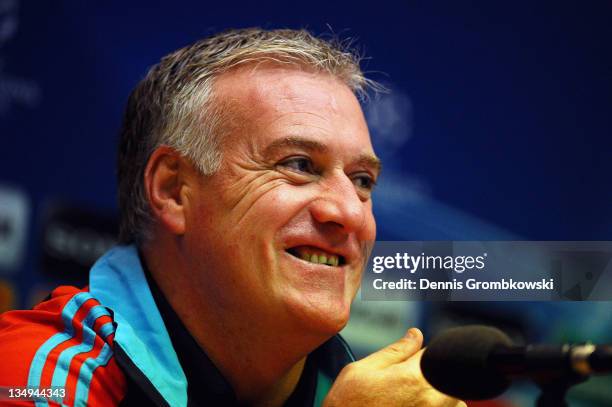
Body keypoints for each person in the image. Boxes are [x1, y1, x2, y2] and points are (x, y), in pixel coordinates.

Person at [0, 28, 465, 406]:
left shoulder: (366, 393)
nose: (348, 213)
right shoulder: (36, 375)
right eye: (299, 165)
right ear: (173, 190)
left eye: (363, 181)